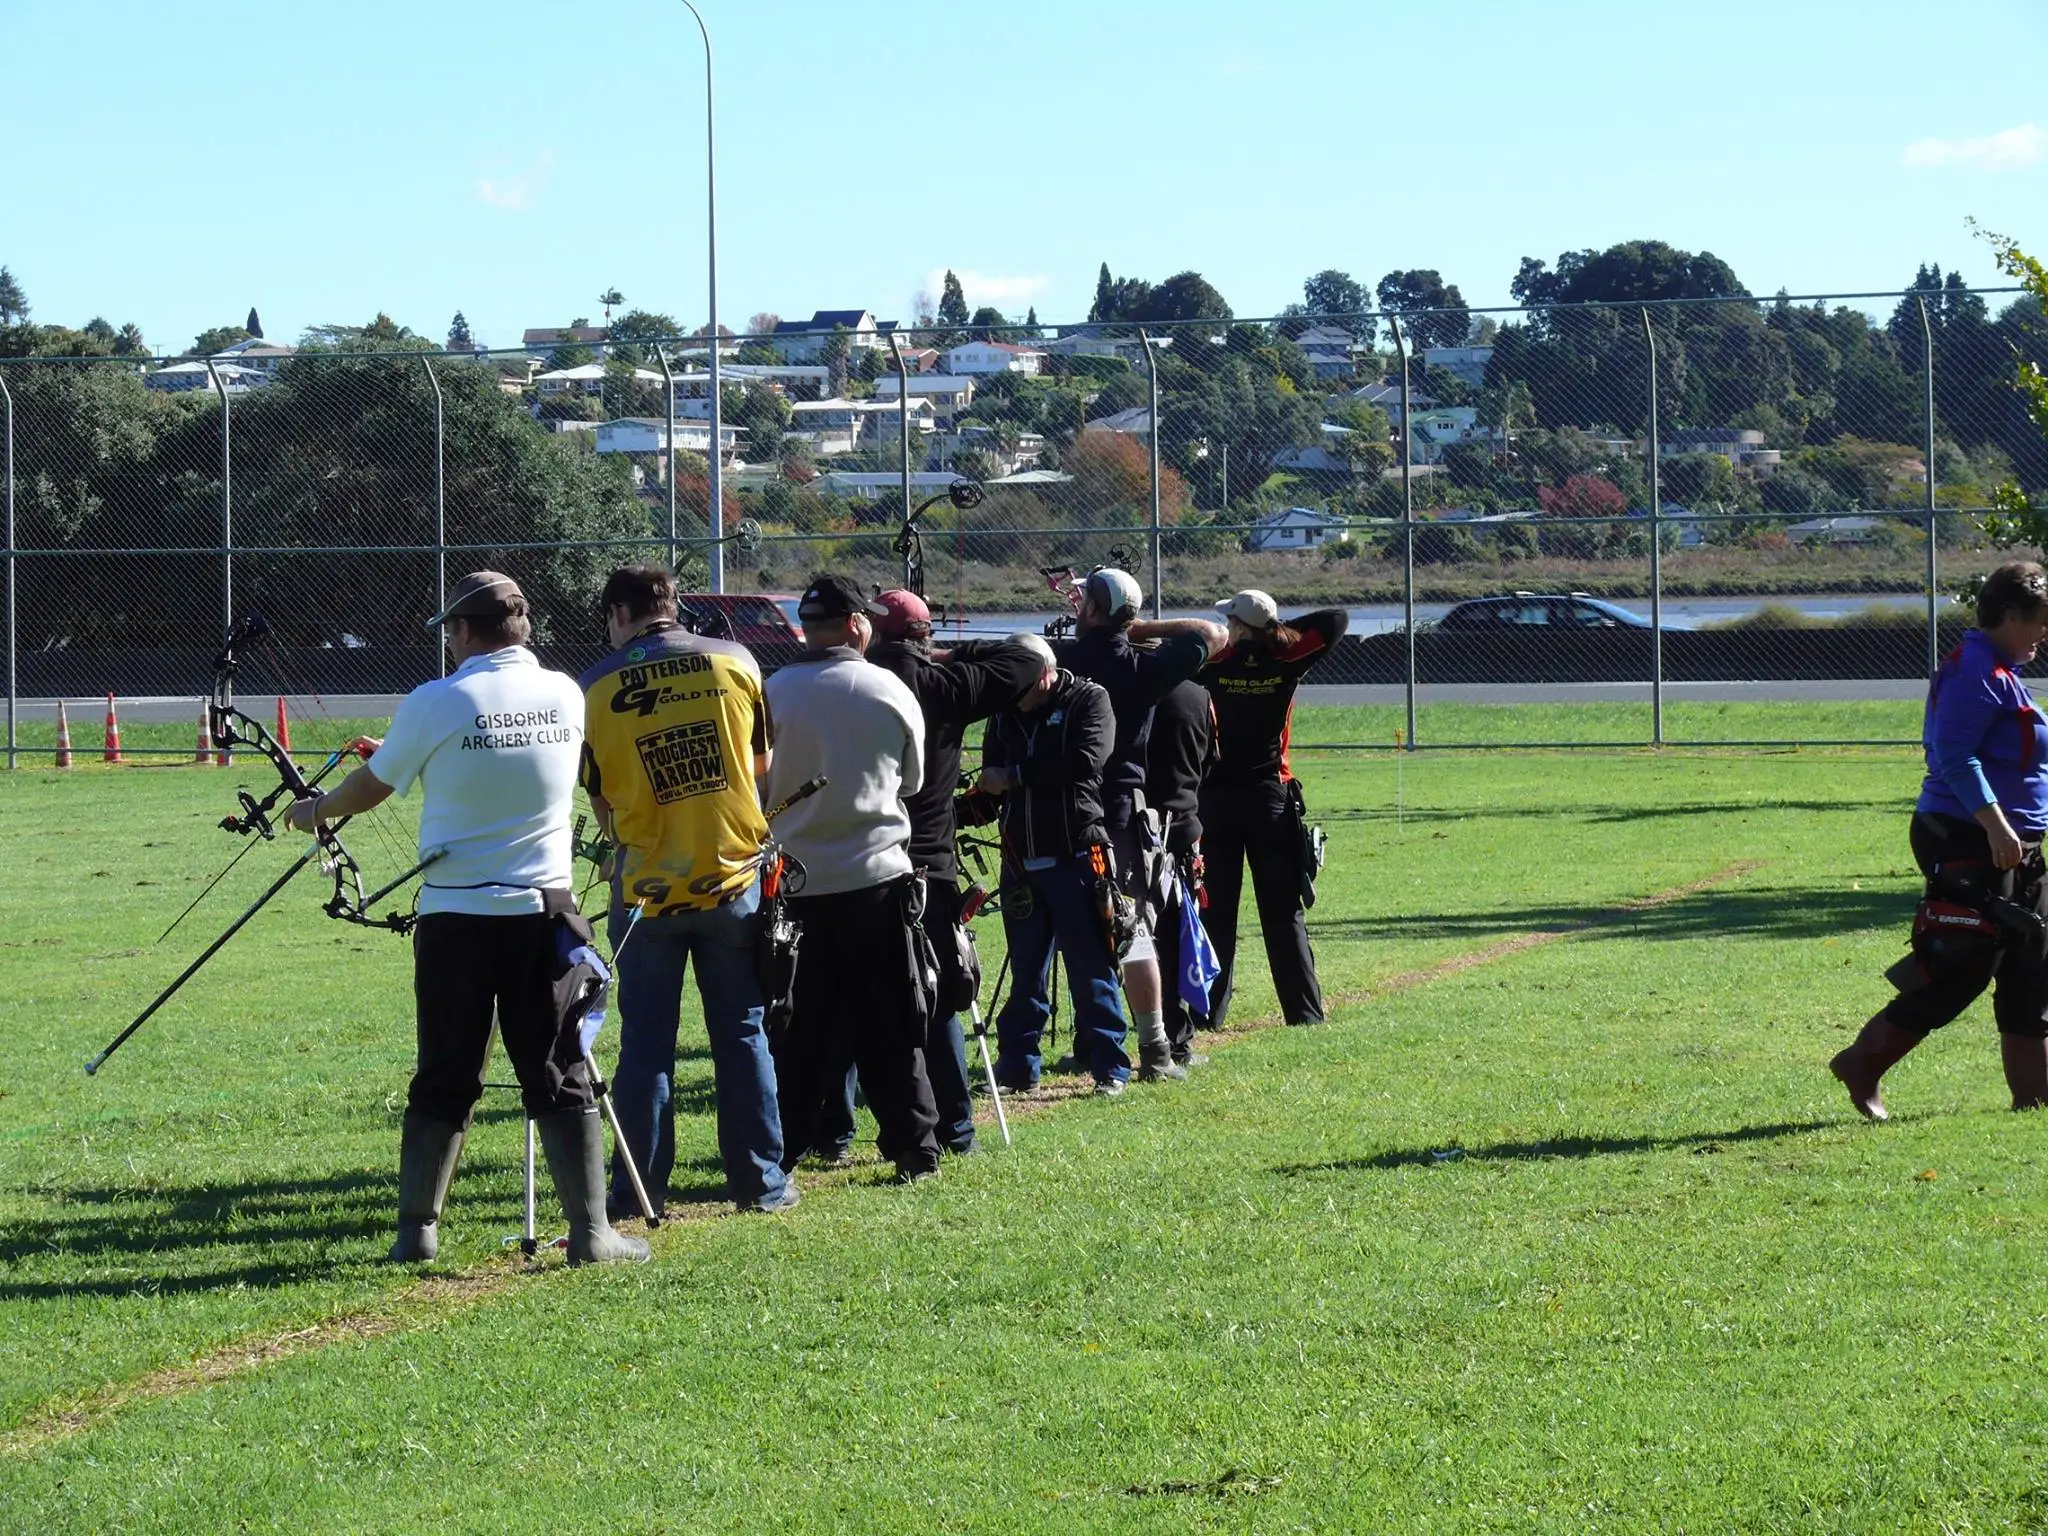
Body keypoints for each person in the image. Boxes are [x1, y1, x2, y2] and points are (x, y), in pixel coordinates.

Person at [282, 570, 646, 1266]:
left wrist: (316, 811)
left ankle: (417, 1232)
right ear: (523, 626)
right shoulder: (566, 693)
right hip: (546, 916)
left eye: (449, 631)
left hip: (455, 920)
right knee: (560, 1067)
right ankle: (593, 1235)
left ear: (462, 630)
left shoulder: (435, 701)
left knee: (446, 1070)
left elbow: (373, 785)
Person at [578, 564, 795, 1218]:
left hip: (645, 892)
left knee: (646, 1042)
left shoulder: (593, 686)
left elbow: (601, 803)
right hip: (734, 880)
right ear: (673, 604)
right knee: (743, 1032)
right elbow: (760, 768)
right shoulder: (736, 662)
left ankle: (639, 1192)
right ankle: (761, 1184)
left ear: (619, 613)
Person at [1832, 560, 2048, 1119]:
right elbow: (1953, 756)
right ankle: (1862, 1063)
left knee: (2032, 961)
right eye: (2039, 622)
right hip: (1969, 835)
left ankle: (2035, 1099)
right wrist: (1997, 826)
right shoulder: (1974, 669)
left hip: (2015, 842)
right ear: (2007, 615)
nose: (2044, 633)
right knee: (1962, 963)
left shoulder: (2002, 669)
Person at [762, 574, 943, 1180]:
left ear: (806, 630)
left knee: (799, 1028)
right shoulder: (886, 688)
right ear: (859, 626)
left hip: (797, 886)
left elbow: (759, 784)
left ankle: (781, 1153)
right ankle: (915, 1147)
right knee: (889, 1023)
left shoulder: (773, 692)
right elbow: (913, 781)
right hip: (876, 880)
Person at [865, 589, 1043, 1156]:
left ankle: (838, 1130)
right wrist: (941, 655)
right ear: (923, 638)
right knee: (939, 993)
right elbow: (1028, 657)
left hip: (859, 859)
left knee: (857, 995)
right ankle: (956, 1128)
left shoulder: (854, 683)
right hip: (929, 861)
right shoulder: (942, 685)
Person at [1055, 568, 1227, 1080]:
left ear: (1091, 612)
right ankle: (1154, 1049)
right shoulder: (1140, 667)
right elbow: (1213, 633)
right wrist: (1138, 628)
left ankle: (1095, 1045)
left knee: (1080, 930)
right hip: (1123, 808)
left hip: (1064, 802)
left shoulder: (1064, 657)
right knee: (1130, 927)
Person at [981, 634, 1131, 1094]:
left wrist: (1017, 777)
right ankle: (1016, 1068)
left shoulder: (1090, 699)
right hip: (1020, 861)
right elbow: (990, 775)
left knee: (1091, 967)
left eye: (1022, 684)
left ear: (1045, 673)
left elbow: (1088, 761)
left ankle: (1110, 1067)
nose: (1016, 696)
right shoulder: (1005, 708)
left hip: (1078, 856)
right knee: (1026, 970)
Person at [1198, 590, 1349, 1030]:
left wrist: (1243, 635)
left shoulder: (1214, 662)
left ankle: (1208, 1013)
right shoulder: (1286, 659)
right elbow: (1335, 618)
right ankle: (1303, 1014)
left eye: (1231, 621)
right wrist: (1275, 633)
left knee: (1215, 910)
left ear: (1239, 628)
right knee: (1283, 912)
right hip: (1270, 798)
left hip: (1218, 798)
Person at [1147, 675, 1218, 1068]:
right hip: (1183, 822)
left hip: (1140, 825)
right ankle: (1177, 1038)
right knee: (1178, 936)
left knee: (1135, 936)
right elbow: (1208, 760)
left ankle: (1099, 1039)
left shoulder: (1130, 689)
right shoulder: (1199, 696)